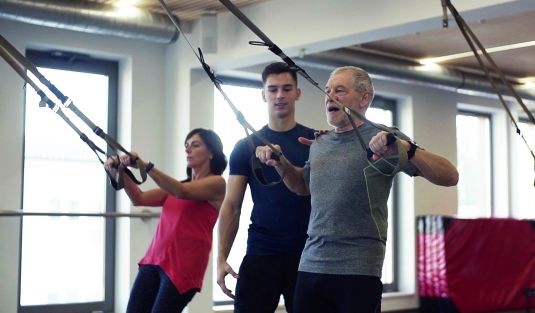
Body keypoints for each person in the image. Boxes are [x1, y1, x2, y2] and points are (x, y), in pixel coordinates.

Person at [256, 66, 459, 313]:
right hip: (312, 263)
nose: (330, 97)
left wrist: (407, 148)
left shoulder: (385, 139)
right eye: (328, 90)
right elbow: (302, 187)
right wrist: (280, 162)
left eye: (340, 90)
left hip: (358, 266)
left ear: (364, 98)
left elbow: (450, 176)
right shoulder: (320, 142)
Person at [217, 62, 316, 312]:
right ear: (264, 95)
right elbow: (231, 205)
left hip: (309, 255)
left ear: (298, 93)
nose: (279, 95)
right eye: (272, 89)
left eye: (286, 88)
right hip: (262, 251)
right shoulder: (245, 147)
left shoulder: (315, 142)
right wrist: (221, 257)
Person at [105, 128, 227, 313]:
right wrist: (120, 170)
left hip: (183, 267)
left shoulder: (217, 184)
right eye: (186, 145)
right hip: (153, 260)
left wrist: (143, 165)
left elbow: (181, 192)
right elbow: (140, 198)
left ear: (211, 152)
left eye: (195, 145)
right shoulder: (181, 185)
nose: (187, 149)